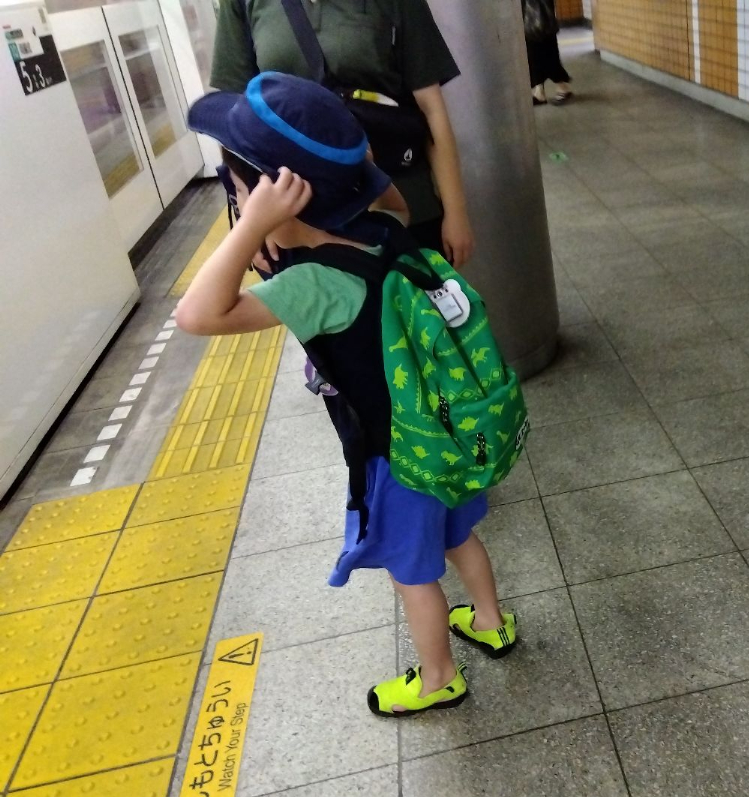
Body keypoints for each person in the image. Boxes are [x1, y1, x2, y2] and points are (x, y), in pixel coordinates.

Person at [175, 73, 517, 714]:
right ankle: (492, 623)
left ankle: (439, 679)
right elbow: (388, 193)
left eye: (240, 195)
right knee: (459, 536)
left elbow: (195, 315)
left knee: (412, 573)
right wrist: (342, 167)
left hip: (397, 456)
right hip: (445, 428)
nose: (240, 206)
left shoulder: (311, 285)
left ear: (278, 201)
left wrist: (251, 230)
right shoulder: (385, 225)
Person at [210, 0, 475, 266]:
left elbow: (431, 109)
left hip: (399, 199)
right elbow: (233, 114)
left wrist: (456, 212)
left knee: (413, 290)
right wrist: (249, 219)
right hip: (295, 215)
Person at [523, 0, 572, 105]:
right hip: (532, 13)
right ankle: (540, 91)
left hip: (538, 12)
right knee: (533, 52)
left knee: (543, 49)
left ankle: (561, 86)